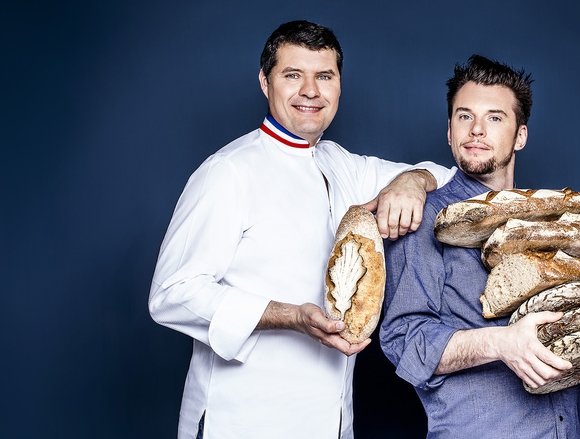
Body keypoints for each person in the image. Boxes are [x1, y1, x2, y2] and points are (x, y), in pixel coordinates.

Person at [149, 20, 453, 439]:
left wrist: (413, 180)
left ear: (339, 86)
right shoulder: (228, 172)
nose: (311, 90)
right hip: (239, 420)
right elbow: (171, 294)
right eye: (293, 75)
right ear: (265, 81)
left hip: (331, 423)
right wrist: (290, 316)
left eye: (324, 76)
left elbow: (449, 179)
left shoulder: (341, 164)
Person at [379, 54, 580, 438]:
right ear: (449, 131)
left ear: (520, 135)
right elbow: (404, 340)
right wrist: (502, 343)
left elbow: (555, 329)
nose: (476, 130)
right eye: (464, 116)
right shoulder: (426, 219)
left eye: (494, 117)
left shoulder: (548, 221)